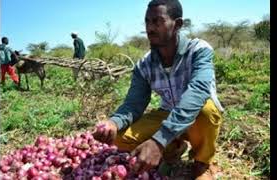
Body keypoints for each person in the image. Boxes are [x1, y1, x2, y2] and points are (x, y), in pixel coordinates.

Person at [92, 0, 224, 179]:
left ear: (177, 24)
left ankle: (202, 163)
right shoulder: (144, 65)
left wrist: (158, 141)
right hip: (167, 112)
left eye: (157, 21)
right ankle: (173, 149)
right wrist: (113, 123)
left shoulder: (198, 50)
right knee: (119, 138)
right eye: (147, 21)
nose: (150, 28)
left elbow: (198, 91)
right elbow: (134, 104)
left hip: (197, 115)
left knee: (206, 110)